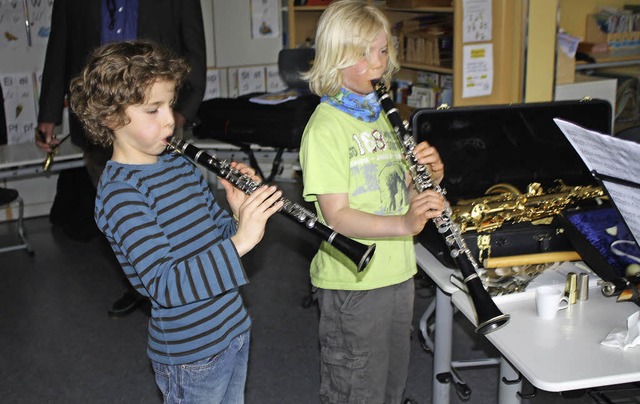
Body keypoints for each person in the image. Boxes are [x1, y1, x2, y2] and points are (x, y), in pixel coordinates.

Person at [70, 40, 283, 403]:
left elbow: (218, 239)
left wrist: (236, 215)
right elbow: (164, 285)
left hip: (233, 326)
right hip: (192, 353)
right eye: (153, 109)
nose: (170, 118)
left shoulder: (179, 164)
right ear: (110, 117)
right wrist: (242, 240)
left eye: (169, 104)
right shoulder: (122, 194)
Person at [299, 1, 447, 402]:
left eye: (382, 51)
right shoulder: (325, 129)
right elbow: (338, 216)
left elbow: (402, 195)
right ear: (334, 59)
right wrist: (403, 224)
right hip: (354, 281)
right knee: (356, 385)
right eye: (363, 55)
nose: (377, 64)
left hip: (398, 271)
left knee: (391, 380)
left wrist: (428, 179)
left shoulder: (382, 114)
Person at [35, 0, 207, 318]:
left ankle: (184, 279)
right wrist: (48, 113)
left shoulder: (165, 118)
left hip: (154, 119)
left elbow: (194, 48)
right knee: (126, 214)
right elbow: (59, 48)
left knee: (172, 203)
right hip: (103, 123)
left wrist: (178, 111)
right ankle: (145, 282)